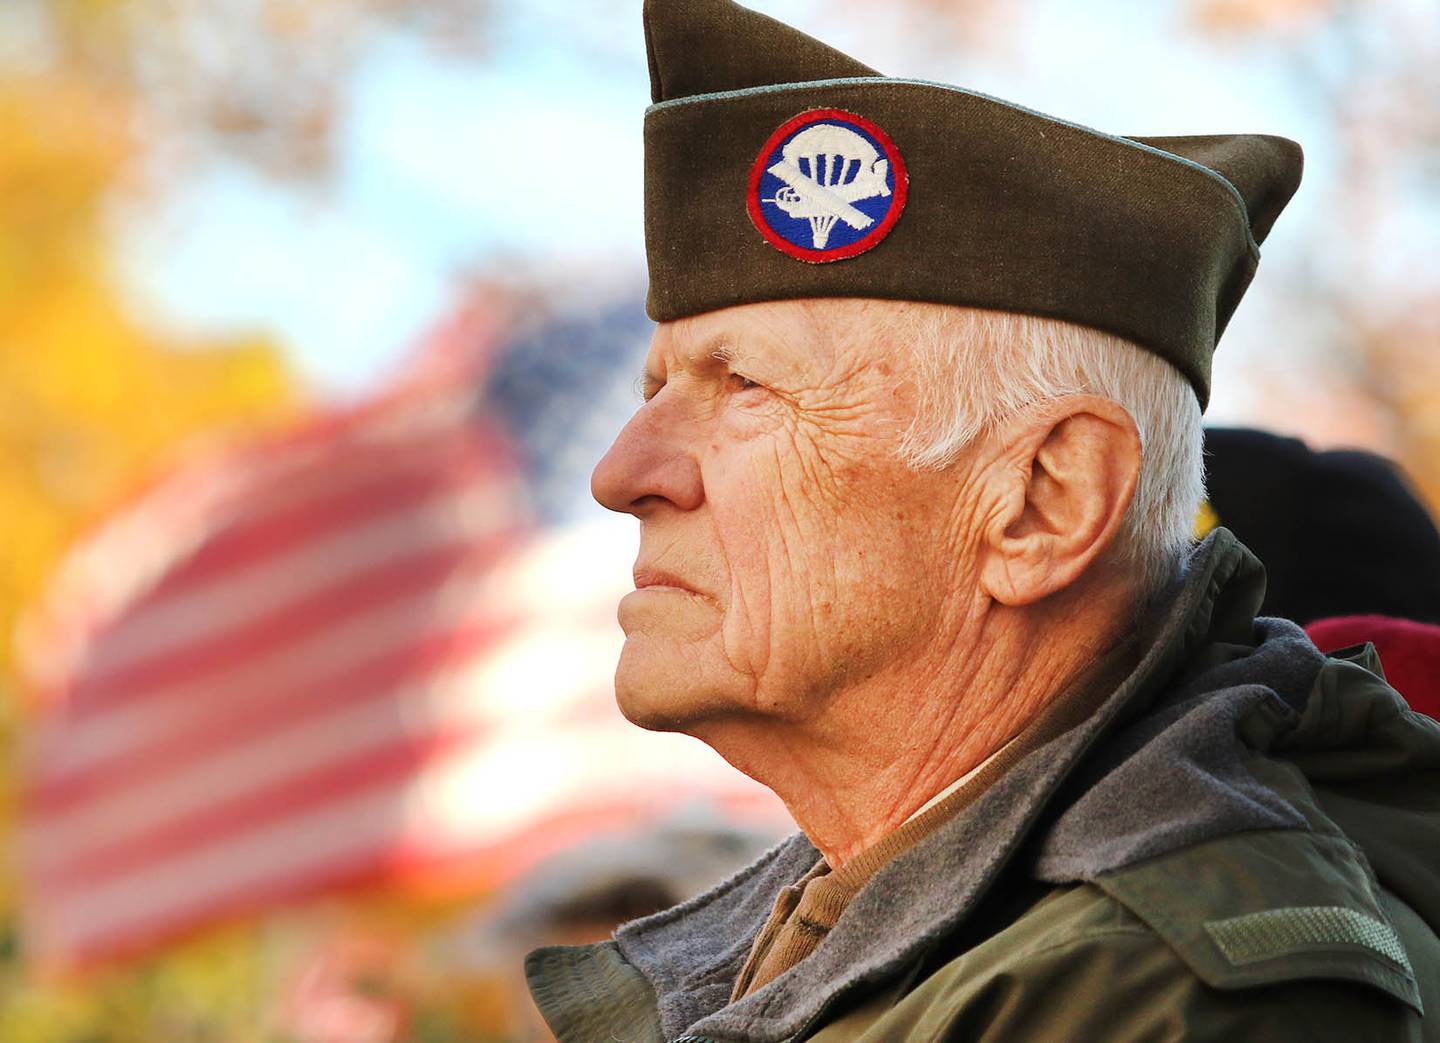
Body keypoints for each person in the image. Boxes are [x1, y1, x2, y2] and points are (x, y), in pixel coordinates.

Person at [525, 1, 1440, 1039]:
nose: (623, 471)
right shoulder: (912, 942)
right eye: (654, 390)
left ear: (1044, 503)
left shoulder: (1157, 992)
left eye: (745, 387)